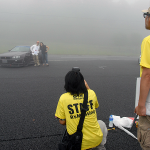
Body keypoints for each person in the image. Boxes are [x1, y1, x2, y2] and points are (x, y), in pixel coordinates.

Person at [55, 69, 108, 150]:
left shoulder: (63, 98)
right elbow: (95, 106)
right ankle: (100, 147)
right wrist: (87, 87)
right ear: (83, 82)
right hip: (95, 139)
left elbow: (62, 122)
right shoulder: (91, 93)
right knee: (101, 124)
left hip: (77, 142)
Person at [134, 7, 150, 150]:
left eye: (146, 15)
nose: (145, 18)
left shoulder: (148, 41)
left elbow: (147, 74)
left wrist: (141, 105)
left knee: (146, 141)